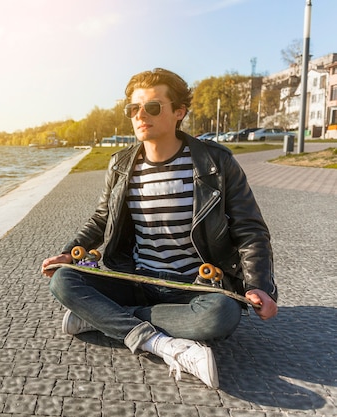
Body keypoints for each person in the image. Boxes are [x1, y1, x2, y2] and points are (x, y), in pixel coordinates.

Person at [41, 68, 278, 389]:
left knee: (220, 316)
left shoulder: (216, 162)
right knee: (63, 281)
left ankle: (103, 317)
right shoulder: (121, 164)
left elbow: (250, 229)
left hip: (194, 286)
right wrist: (68, 254)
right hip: (134, 277)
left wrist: (259, 284)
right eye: (133, 109)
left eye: (152, 107)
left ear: (179, 112)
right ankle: (162, 344)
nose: (140, 115)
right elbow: (101, 219)